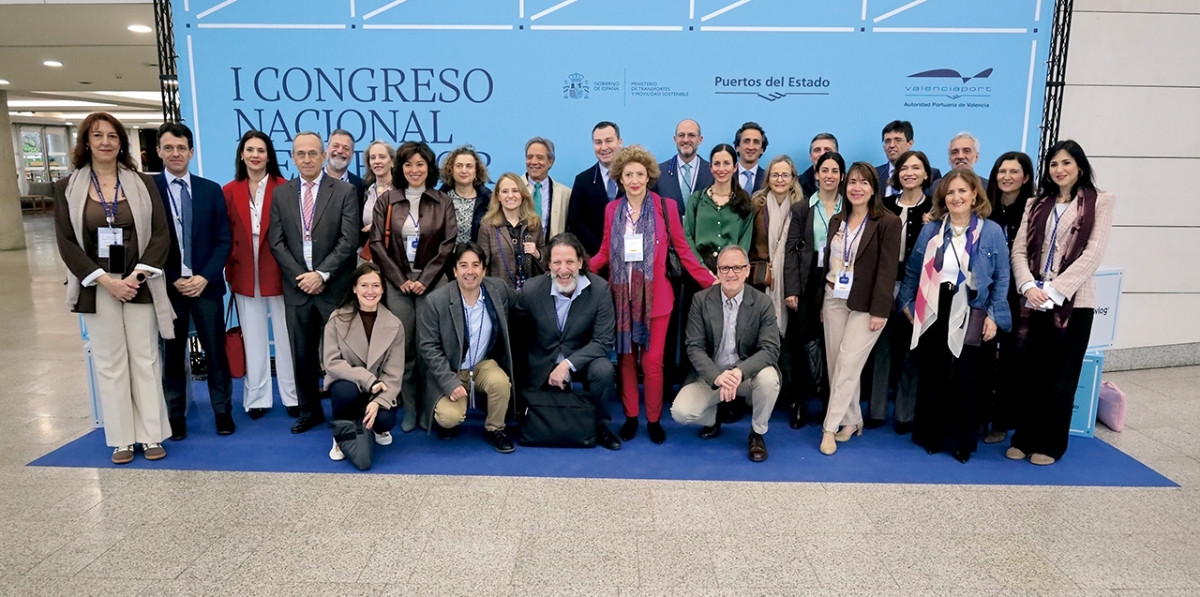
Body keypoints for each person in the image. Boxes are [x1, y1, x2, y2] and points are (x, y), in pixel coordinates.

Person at [54, 112, 174, 464]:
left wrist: (134, 278)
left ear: (122, 142)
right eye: (97, 135)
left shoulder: (142, 183)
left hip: (140, 283)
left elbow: (161, 233)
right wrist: (106, 281)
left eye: (112, 136)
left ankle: (151, 435)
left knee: (146, 358)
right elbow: (66, 242)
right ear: (86, 142)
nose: (105, 142)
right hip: (98, 286)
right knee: (109, 362)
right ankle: (122, 438)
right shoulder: (67, 188)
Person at [589, 145, 716, 444]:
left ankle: (654, 419)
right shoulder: (612, 210)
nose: (634, 179)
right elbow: (605, 251)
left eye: (640, 174)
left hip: (657, 300)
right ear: (620, 178)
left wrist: (710, 281)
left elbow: (683, 250)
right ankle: (632, 417)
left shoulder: (666, 207)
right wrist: (579, 269)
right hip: (622, 299)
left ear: (649, 177)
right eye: (628, 174)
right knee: (626, 361)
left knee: (653, 363)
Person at [1008, 140, 1114, 466]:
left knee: (1061, 377)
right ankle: (1024, 437)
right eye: (1054, 164)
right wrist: (1028, 285)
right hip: (1033, 302)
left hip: (1073, 303)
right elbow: (1020, 251)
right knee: (1030, 374)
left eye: (1066, 163)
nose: (1060, 169)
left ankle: (1051, 444)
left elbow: (1092, 255)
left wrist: (1054, 291)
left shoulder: (1101, 202)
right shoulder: (1036, 203)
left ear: (1079, 166)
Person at [898, 169, 1011, 463]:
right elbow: (912, 269)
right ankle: (931, 435)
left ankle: (962, 441)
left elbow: (1002, 277)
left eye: (962, 191)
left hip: (974, 306)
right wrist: (907, 304)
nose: (956, 197)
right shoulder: (931, 230)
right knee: (933, 372)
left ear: (975, 194)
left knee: (967, 376)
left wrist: (994, 316)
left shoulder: (991, 231)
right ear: (943, 197)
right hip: (936, 303)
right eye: (950, 192)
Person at [268, 131, 361, 434]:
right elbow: (276, 241)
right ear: (293, 158)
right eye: (300, 154)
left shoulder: (344, 191)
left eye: (312, 153)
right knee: (303, 354)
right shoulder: (282, 193)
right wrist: (302, 277)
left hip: (332, 287)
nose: (306, 159)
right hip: (298, 288)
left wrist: (321, 274)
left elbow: (349, 240)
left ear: (323, 156)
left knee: (342, 355)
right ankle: (309, 411)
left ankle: (346, 411)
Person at [152, 122, 233, 440]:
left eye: (181, 148)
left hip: (206, 286)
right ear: (159, 151)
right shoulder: (150, 190)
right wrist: (173, 278)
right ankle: (175, 416)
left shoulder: (210, 190)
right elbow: (148, 243)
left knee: (216, 353)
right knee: (172, 356)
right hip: (167, 287)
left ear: (191, 152)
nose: (175, 153)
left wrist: (203, 276)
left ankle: (222, 412)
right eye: (169, 147)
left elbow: (223, 240)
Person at [369, 141, 457, 432]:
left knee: (430, 347)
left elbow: (447, 245)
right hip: (398, 283)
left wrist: (424, 280)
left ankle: (429, 408)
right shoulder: (387, 200)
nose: (414, 170)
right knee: (404, 349)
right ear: (400, 168)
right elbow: (377, 246)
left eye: (420, 164)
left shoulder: (442, 200)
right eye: (408, 164)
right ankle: (410, 407)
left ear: (429, 168)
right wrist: (400, 279)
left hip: (433, 283)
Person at [818, 162, 901, 456]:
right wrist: (822, 301)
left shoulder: (888, 222)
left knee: (849, 364)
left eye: (864, 182)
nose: (856, 187)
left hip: (867, 306)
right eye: (852, 182)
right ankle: (853, 421)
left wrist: (881, 310)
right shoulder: (836, 221)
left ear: (874, 188)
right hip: (833, 298)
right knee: (835, 366)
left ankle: (829, 427)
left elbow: (888, 270)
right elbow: (828, 263)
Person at [511, 232, 622, 450]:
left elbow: (603, 340)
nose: (563, 269)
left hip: (581, 359)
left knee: (603, 370)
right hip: (542, 359)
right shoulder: (532, 290)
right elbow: (515, 331)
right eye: (557, 262)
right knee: (548, 419)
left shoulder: (599, 289)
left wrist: (566, 365)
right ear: (549, 265)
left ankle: (600, 425)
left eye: (570, 262)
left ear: (581, 262)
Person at [672, 246, 781, 462]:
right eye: (725, 268)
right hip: (712, 375)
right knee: (680, 413)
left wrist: (740, 372)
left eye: (737, 268)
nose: (731, 273)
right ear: (718, 271)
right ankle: (716, 415)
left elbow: (770, 349)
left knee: (769, 379)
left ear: (747, 270)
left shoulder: (762, 303)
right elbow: (693, 346)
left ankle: (757, 433)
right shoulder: (701, 300)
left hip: (746, 375)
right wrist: (717, 377)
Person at [222, 130, 298, 419]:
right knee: (252, 336)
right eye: (250, 149)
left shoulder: (284, 187)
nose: (255, 155)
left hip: (278, 268)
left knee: (285, 336)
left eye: (261, 150)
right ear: (242, 154)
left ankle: (292, 396)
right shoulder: (229, 190)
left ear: (269, 156)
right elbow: (225, 233)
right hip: (243, 269)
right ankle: (257, 398)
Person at [417, 242, 519, 452]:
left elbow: (522, 307)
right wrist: (448, 382)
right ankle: (448, 419)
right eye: (463, 265)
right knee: (449, 417)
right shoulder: (436, 301)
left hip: (482, 364)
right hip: (450, 368)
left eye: (475, 265)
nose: (470, 271)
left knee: (501, 382)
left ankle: (495, 429)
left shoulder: (498, 290)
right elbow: (428, 347)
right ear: (455, 271)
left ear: (484, 270)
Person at [865, 149, 933, 433]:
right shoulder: (884, 206)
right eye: (904, 168)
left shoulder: (935, 209)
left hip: (919, 288)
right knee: (881, 348)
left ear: (926, 174)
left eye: (916, 168)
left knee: (910, 351)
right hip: (883, 284)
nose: (909, 173)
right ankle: (877, 410)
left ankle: (905, 414)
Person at [784, 151, 846, 429]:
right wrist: (792, 289)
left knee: (833, 345)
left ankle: (830, 404)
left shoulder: (851, 207)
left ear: (841, 176)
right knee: (800, 343)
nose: (829, 175)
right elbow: (789, 251)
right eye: (825, 170)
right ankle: (799, 402)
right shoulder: (801, 208)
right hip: (807, 281)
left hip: (839, 282)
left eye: (835, 171)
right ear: (817, 174)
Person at [323, 262, 405, 461]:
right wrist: (368, 380)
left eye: (376, 285)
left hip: (378, 390)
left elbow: (394, 373)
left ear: (383, 289)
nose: (370, 291)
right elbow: (332, 362)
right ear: (354, 288)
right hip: (350, 384)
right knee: (345, 392)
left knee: (385, 420)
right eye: (364, 285)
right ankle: (342, 432)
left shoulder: (395, 324)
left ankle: (371, 424)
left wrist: (378, 403)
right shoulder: (336, 319)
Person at [982, 151, 1035, 445]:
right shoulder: (987, 210)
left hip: (1022, 296)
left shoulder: (1034, 211)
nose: (1006, 177)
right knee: (986, 359)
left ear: (1025, 177)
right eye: (1002, 171)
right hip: (989, 294)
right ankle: (982, 418)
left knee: (1015, 360)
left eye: (1013, 172)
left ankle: (1003, 421)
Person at [747, 155, 802, 421]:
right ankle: (755, 391)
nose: (780, 180)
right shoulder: (756, 204)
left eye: (785, 175)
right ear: (768, 177)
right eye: (775, 175)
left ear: (793, 179)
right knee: (758, 337)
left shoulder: (802, 207)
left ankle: (788, 393)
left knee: (789, 341)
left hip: (790, 283)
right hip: (760, 281)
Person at [683, 143, 754, 274]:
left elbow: (745, 241)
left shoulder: (745, 202)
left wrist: (731, 269)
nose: (721, 169)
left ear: (735, 167)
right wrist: (703, 271)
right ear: (710, 168)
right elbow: (687, 237)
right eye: (717, 164)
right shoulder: (696, 200)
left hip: (733, 273)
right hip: (699, 273)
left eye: (726, 163)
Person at [477, 172, 546, 289]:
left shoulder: (534, 223)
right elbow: (483, 264)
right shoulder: (487, 226)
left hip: (531, 292)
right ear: (498, 196)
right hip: (500, 293)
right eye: (505, 191)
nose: (510, 195)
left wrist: (537, 253)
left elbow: (546, 259)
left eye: (515, 191)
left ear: (522, 194)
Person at [566, 121, 623, 256]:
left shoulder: (635, 178)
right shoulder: (583, 180)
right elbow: (575, 222)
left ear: (619, 142)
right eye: (598, 142)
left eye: (608, 141)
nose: (603, 147)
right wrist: (601, 249)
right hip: (594, 257)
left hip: (632, 257)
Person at [652, 119, 714, 214]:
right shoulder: (659, 172)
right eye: (681, 135)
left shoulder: (712, 172)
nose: (685, 140)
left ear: (700, 139)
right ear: (675, 139)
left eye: (691, 135)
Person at [439, 144, 492, 246]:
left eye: (469, 166)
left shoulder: (488, 200)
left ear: (476, 171)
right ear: (451, 170)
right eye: (459, 166)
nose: (464, 170)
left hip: (478, 259)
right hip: (446, 260)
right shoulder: (440, 199)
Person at [876, 120, 942, 198]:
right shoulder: (874, 174)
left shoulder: (932, 174)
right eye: (887, 141)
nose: (892, 145)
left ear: (910, 143)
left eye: (898, 140)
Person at [524, 137, 572, 239]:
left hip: (552, 252)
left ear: (551, 161)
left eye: (540, 157)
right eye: (529, 157)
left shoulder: (565, 194)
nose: (533, 162)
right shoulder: (513, 189)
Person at [359, 140, 395, 254]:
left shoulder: (402, 190)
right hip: (368, 255)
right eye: (373, 158)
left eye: (382, 157)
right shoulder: (364, 190)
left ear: (392, 162)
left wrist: (377, 226)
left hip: (395, 253)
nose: (377, 161)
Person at [325, 128, 365, 201]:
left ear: (352, 154)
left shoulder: (362, 186)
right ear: (327, 148)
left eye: (346, 148)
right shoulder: (312, 180)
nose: (340, 151)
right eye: (336, 146)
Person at [797, 133, 837, 198]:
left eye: (827, 150)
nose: (822, 154)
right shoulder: (797, 184)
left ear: (837, 155)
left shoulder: (848, 183)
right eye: (817, 150)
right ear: (811, 157)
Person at [734, 122, 767, 193]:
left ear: (762, 149)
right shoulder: (727, 175)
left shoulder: (768, 178)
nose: (751, 147)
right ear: (737, 147)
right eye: (746, 141)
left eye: (756, 142)